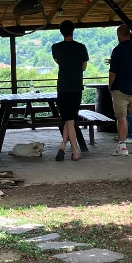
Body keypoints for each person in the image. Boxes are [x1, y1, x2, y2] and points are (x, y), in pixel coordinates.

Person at [51, 20, 89, 161]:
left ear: (61, 31)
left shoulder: (56, 47)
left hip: (63, 87)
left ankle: (75, 150)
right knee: (70, 120)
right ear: (73, 30)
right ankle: (62, 147)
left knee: (69, 120)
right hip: (77, 87)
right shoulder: (81, 47)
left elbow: (58, 62)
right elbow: (84, 67)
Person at [109, 24, 132, 155]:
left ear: (119, 35)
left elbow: (113, 71)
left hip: (120, 89)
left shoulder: (117, 50)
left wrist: (110, 86)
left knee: (121, 118)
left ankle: (123, 147)